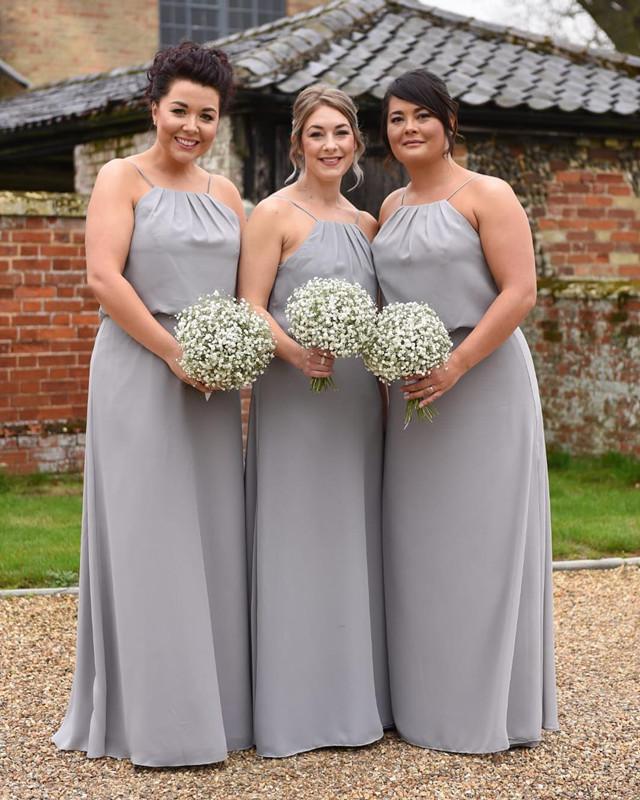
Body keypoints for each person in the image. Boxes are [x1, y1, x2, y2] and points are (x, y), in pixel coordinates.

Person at [52, 42, 252, 767]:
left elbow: (249, 290)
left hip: (212, 382)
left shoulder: (227, 194)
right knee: (146, 536)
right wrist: (175, 355)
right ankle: (149, 720)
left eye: (206, 114)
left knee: (212, 538)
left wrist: (228, 352)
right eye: (180, 111)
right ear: (154, 108)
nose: (191, 126)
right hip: (142, 370)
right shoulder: (120, 177)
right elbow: (104, 278)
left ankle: (217, 713)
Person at [372, 69, 559, 754]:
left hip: (481, 381)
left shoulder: (489, 194)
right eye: (396, 119)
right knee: (416, 546)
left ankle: (488, 709)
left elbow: (519, 293)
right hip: (411, 395)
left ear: (449, 122)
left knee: (482, 544)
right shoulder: (388, 209)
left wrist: (457, 363)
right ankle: (424, 703)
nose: (409, 129)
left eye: (421, 115)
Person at [238, 84, 392, 758]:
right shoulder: (271, 215)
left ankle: (359, 700)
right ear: (296, 142)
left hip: (358, 401)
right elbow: (250, 305)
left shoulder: (367, 227)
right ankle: (294, 712)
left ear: (355, 143)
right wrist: (298, 354)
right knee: (296, 535)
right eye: (317, 133)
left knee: (354, 537)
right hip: (296, 394)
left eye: (341, 133)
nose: (330, 145)